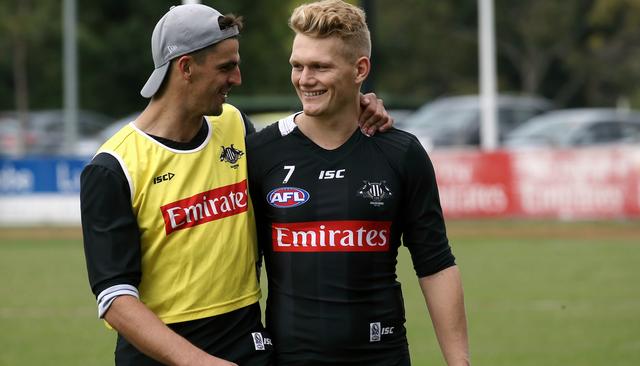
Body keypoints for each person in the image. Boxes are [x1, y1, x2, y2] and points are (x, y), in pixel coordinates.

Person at [80, 4, 391, 366]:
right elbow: (115, 299)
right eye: (226, 67)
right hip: (161, 356)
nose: (238, 78)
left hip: (247, 344)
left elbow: (302, 142)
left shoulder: (235, 126)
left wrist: (358, 106)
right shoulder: (114, 167)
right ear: (185, 68)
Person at [246, 1, 470, 365]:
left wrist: (459, 363)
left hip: (383, 357)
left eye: (320, 67)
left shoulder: (401, 153)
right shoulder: (261, 153)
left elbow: (436, 264)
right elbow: (241, 271)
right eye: (298, 66)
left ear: (359, 68)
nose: (305, 79)